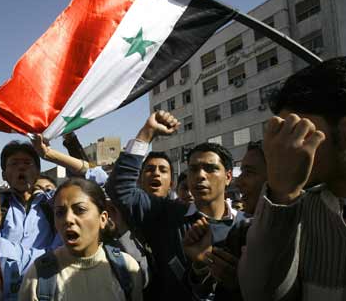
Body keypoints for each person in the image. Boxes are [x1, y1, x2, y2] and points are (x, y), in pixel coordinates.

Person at [105, 111, 245, 301]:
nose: (201, 175)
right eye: (194, 169)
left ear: (228, 177)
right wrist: (147, 133)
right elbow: (119, 187)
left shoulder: (247, 227)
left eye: (210, 168)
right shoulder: (166, 213)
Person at [238, 57, 346, 301]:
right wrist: (282, 195)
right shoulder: (293, 213)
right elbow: (260, 294)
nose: (280, 147)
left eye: (296, 130)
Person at [0, 87, 93, 250]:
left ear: (38, 172)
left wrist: (55, 149)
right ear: (4, 174)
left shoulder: (53, 203)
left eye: (27, 163)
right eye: (14, 164)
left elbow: (91, 180)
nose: (21, 168)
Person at [19, 178, 143, 301]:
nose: (68, 219)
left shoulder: (126, 268)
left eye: (80, 210)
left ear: (103, 219)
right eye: (60, 213)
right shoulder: (38, 275)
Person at [182, 140, 268, 300]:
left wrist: (244, 284)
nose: (240, 181)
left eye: (249, 172)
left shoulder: (308, 227)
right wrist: (201, 267)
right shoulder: (244, 230)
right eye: (193, 169)